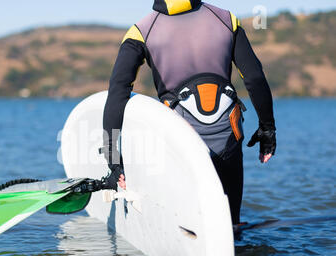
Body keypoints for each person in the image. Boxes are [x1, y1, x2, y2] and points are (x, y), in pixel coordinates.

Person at [102, 0, 276, 225]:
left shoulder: (142, 31)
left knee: (187, 223)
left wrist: (113, 158)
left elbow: (118, 93)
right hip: (228, 137)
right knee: (230, 226)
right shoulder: (226, 19)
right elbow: (254, 78)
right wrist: (267, 129)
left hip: (179, 143)